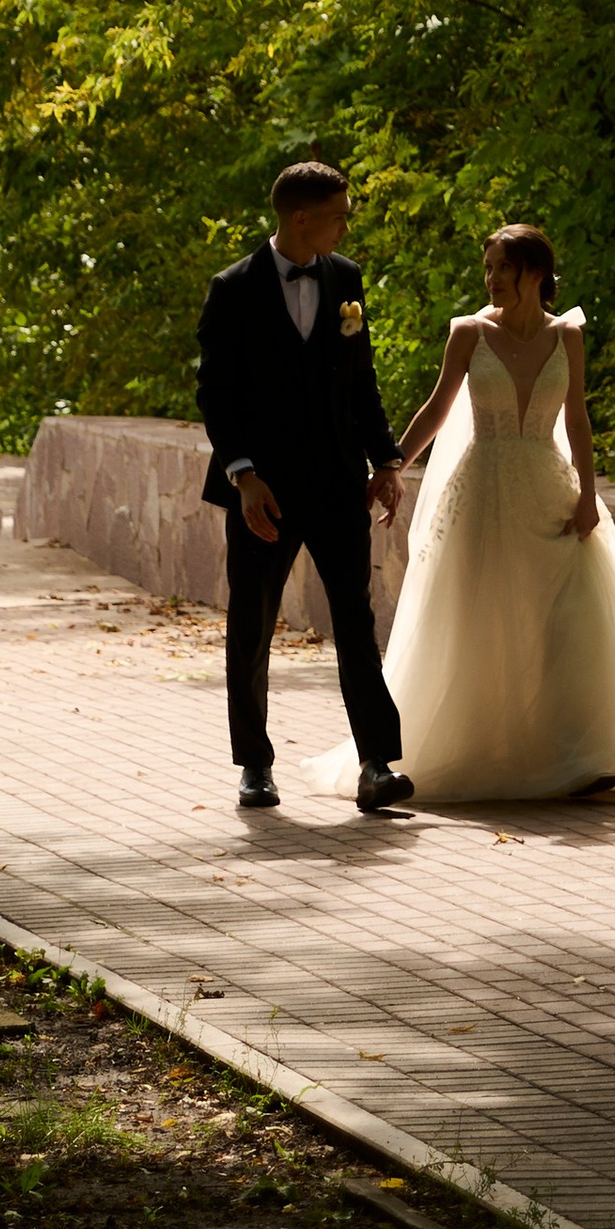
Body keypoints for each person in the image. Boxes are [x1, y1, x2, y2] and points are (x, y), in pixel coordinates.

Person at [314, 222, 615, 805]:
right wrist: (390, 467)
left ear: (536, 274)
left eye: (502, 268)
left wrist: (589, 495)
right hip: (483, 495)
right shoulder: (469, 333)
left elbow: (577, 421)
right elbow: (438, 408)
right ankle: (475, 747)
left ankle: (582, 757)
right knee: (482, 621)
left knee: (568, 622)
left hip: (551, 491)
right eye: (487, 268)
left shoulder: (568, 335)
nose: (491, 279)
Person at [196, 160, 414, 816]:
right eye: (339, 213)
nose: (347, 224)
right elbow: (215, 393)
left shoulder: (344, 279)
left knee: (356, 620)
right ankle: (255, 767)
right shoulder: (232, 288)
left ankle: (375, 764)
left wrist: (386, 460)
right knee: (252, 625)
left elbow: (361, 378)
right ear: (301, 217)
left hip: (338, 483)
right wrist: (244, 475)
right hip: (263, 491)